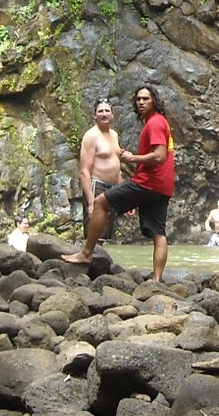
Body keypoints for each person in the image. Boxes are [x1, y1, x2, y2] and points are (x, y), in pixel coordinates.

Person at [64, 85, 175, 279]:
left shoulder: (155, 123)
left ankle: (86, 254)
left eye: (146, 99)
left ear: (154, 101)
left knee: (100, 203)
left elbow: (159, 156)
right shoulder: (158, 122)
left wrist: (133, 159)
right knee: (158, 232)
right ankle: (157, 280)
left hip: (148, 182)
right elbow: (84, 170)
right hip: (162, 185)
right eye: (138, 99)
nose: (141, 102)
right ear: (94, 115)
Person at [78, 98, 123, 235]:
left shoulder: (114, 135)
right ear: (94, 115)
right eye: (100, 111)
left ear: (112, 114)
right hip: (97, 187)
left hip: (113, 189)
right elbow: (84, 171)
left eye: (107, 111)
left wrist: (125, 196)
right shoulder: (91, 136)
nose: (104, 114)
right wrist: (91, 202)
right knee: (95, 233)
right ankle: (89, 256)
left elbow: (116, 166)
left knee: (107, 232)